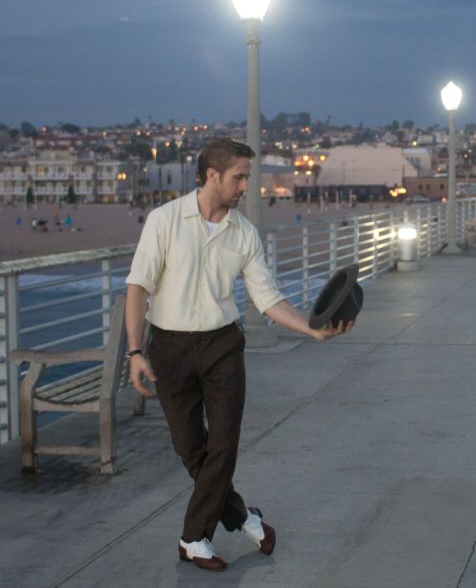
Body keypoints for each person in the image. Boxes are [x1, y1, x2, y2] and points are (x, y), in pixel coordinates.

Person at [125, 138, 352, 573]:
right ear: (212, 175)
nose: (245, 186)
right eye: (239, 177)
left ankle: (193, 539)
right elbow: (138, 288)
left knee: (224, 446)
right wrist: (135, 350)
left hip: (222, 347)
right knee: (192, 450)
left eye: (247, 177)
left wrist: (312, 328)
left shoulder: (244, 232)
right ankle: (244, 517)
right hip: (169, 349)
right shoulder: (165, 221)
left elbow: (268, 299)